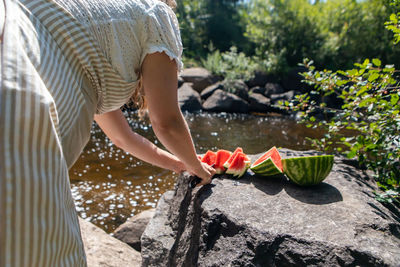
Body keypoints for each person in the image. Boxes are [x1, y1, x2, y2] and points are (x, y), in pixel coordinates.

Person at [0, 0, 215, 265]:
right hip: (19, 90)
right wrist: (202, 170)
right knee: (34, 245)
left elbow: (122, 137)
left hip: (10, 28)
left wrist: (182, 164)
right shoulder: (157, 15)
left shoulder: (97, 26)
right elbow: (166, 122)